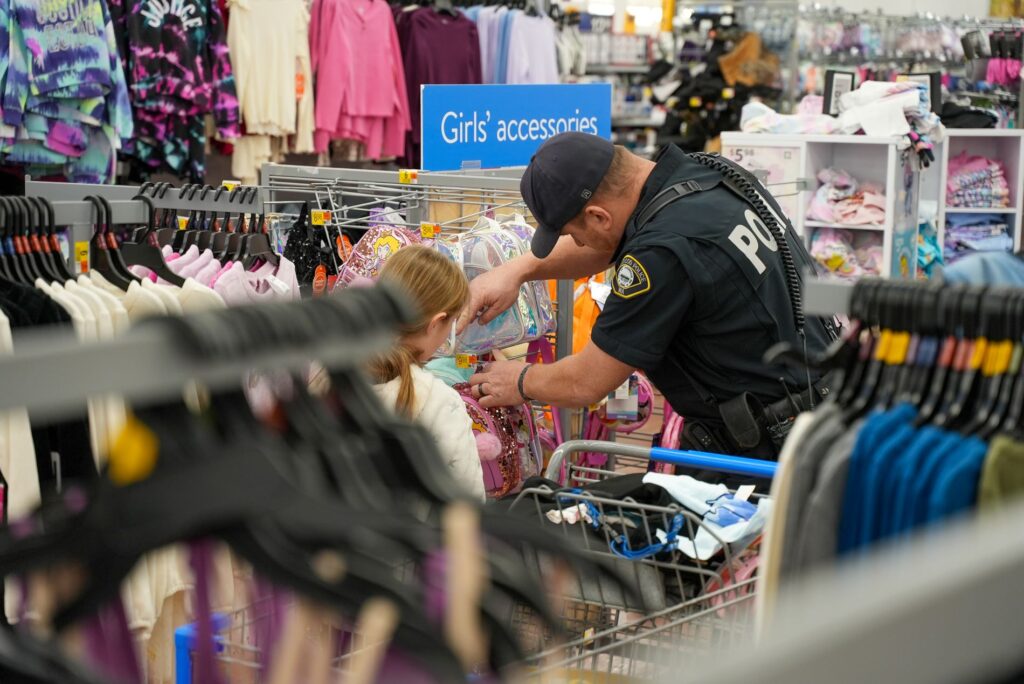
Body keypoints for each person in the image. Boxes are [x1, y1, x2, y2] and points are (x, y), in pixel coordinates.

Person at [464, 132, 837, 461]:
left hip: (767, 448)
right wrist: (517, 269)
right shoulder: (707, 173)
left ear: (598, 216)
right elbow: (613, 242)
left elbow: (586, 381)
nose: (576, 244)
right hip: (820, 405)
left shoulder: (662, 252)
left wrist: (519, 381)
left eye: (574, 233)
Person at [316, 246, 486, 501]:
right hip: (414, 539)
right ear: (436, 323)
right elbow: (469, 503)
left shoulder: (327, 374)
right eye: (450, 324)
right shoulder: (440, 402)